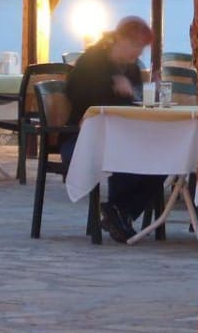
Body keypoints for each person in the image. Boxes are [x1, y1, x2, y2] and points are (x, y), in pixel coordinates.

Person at [63, 15, 164, 243]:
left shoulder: (132, 69)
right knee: (127, 156)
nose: (138, 52)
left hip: (124, 136)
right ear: (120, 39)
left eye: (142, 48)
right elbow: (74, 94)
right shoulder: (92, 61)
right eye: (135, 45)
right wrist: (109, 89)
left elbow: (133, 104)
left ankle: (120, 211)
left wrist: (144, 94)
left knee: (162, 160)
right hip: (84, 138)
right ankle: (118, 214)